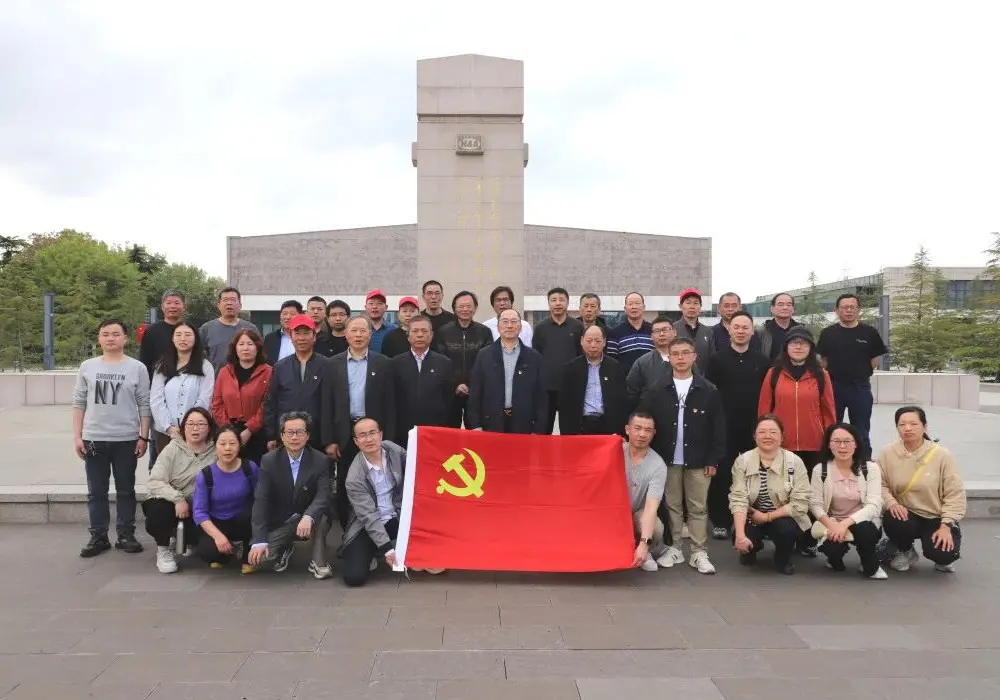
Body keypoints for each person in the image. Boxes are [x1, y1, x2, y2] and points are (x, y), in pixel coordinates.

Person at [639, 337, 726, 575]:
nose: (680, 358)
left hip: (699, 458)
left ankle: (699, 551)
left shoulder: (708, 390)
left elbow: (718, 428)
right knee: (672, 505)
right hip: (667, 458)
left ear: (694, 356)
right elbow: (646, 422)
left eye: (685, 353)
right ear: (669, 358)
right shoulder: (657, 389)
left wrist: (713, 458)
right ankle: (675, 547)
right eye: (675, 353)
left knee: (698, 507)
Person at [72, 319, 151, 558]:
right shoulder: (87, 367)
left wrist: (143, 436)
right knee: (96, 491)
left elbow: (144, 404)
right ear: (99, 339)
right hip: (94, 438)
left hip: (126, 438)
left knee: (126, 489)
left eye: (116, 334)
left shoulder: (137, 368)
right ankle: (98, 535)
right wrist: (77, 436)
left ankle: (126, 534)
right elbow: (79, 402)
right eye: (105, 334)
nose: (110, 338)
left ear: (125, 338)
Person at [757, 326, 835, 557]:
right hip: (783, 445)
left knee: (809, 493)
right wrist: (765, 438)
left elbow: (829, 410)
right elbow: (764, 410)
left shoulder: (821, 375)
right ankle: (784, 537)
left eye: (804, 343)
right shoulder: (774, 374)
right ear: (786, 347)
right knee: (782, 491)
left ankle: (806, 540)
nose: (799, 346)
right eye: (794, 342)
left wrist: (830, 439)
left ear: (811, 348)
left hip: (813, 443)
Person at [705, 311, 770, 540]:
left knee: (756, 474)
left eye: (745, 327)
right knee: (723, 474)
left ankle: (756, 520)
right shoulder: (716, 360)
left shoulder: (762, 361)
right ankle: (721, 521)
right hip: (724, 426)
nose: (741, 331)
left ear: (752, 331)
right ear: (729, 330)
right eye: (736, 327)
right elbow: (710, 394)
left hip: (754, 427)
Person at [878, 405, 966, 573]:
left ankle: (942, 553)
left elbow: (955, 493)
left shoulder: (942, 455)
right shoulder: (887, 453)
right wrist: (891, 503)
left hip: (936, 516)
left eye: (913, 424)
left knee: (944, 556)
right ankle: (904, 549)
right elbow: (880, 484)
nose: (907, 428)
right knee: (893, 518)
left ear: (924, 426)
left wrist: (946, 525)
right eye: (902, 424)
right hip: (905, 514)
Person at [249, 411, 334, 579]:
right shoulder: (269, 460)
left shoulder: (320, 460)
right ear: (282, 436)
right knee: (260, 560)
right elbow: (261, 500)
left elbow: (324, 494)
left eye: (300, 432)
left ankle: (318, 561)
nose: (294, 437)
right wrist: (259, 540)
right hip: (282, 520)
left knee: (322, 516)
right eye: (289, 432)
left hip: (309, 517)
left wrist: (309, 516)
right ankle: (285, 546)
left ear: (307, 435)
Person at [729, 415, 811, 575]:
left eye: (773, 432)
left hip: (782, 515)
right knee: (742, 535)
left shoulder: (794, 462)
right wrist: (740, 536)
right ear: (754, 436)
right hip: (752, 514)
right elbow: (738, 498)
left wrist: (766, 517)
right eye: (762, 432)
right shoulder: (743, 461)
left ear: (782, 436)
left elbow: (800, 503)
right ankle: (750, 549)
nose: (767, 436)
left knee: (786, 531)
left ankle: (783, 558)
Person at [142, 407, 218, 574]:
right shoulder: (173, 448)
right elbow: (155, 481)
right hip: (172, 503)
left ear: (209, 427)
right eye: (190, 424)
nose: (195, 428)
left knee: (212, 553)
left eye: (201, 424)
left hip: (201, 506)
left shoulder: (216, 451)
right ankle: (163, 550)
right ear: (183, 427)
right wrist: (177, 498)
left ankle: (190, 540)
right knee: (158, 508)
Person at [810, 423, 886, 579]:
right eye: (836, 441)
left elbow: (874, 505)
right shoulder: (820, 469)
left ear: (856, 444)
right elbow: (815, 504)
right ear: (829, 444)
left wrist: (845, 524)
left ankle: (868, 561)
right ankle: (834, 558)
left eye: (847, 441)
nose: (842, 446)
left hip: (861, 521)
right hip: (833, 522)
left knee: (866, 532)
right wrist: (832, 525)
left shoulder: (870, 468)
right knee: (833, 550)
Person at [816, 293, 888, 458]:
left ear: (858, 309)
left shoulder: (869, 332)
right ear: (837, 310)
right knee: (832, 427)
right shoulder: (828, 333)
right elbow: (823, 361)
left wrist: (860, 372)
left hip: (860, 387)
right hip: (834, 387)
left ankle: (863, 463)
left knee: (861, 429)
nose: (848, 310)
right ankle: (830, 461)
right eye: (844, 307)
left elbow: (874, 360)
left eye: (852, 307)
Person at [341, 418, 408, 586]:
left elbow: (415, 462)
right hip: (368, 525)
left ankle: (385, 546)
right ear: (356, 441)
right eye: (362, 435)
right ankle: (375, 549)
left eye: (372, 433)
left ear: (381, 435)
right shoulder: (354, 478)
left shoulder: (392, 449)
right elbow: (368, 516)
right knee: (354, 578)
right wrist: (388, 550)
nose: (369, 439)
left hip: (397, 516)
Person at [466, 309, 548, 434]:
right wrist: (476, 425)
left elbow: (541, 396)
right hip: (491, 423)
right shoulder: (484, 355)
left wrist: (538, 429)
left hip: (524, 424)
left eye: (514, 321)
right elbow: (475, 392)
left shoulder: (534, 358)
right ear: (498, 327)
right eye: (505, 322)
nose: (509, 326)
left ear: (520, 327)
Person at [193, 424, 259, 574]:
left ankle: (246, 551)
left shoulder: (250, 468)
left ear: (239, 445)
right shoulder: (206, 474)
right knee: (208, 552)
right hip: (218, 522)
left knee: (250, 516)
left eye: (232, 443)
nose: (227, 448)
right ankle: (227, 550)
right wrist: (218, 537)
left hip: (245, 521)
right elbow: (200, 512)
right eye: (222, 444)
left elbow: (261, 498)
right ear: (215, 446)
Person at [211, 328, 272, 467]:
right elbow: (217, 403)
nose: (245, 348)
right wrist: (229, 430)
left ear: (257, 347)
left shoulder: (268, 372)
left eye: (250, 344)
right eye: (241, 344)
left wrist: (250, 429)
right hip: (228, 432)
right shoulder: (224, 372)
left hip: (256, 434)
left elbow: (267, 404)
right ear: (235, 348)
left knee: (254, 471)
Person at [150, 322, 215, 451]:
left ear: (195, 339)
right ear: (172, 339)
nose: (183, 338)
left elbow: (205, 399)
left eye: (188, 335)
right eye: (178, 335)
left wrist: (190, 425)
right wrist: (169, 427)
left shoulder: (205, 366)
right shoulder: (162, 365)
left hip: (195, 432)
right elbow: (156, 399)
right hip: (166, 433)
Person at [390, 315, 454, 438]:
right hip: (403, 429)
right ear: (408, 336)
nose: (420, 335)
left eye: (424, 331)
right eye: (415, 331)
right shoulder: (395, 363)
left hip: (434, 429)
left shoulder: (444, 363)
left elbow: (448, 398)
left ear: (431, 335)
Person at [558, 324, 628, 436]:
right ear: (582, 341)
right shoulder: (570, 368)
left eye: (598, 341)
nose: (593, 345)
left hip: (608, 426)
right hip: (580, 426)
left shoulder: (615, 367)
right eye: (589, 341)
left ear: (604, 342)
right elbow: (564, 405)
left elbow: (621, 403)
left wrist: (621, 432)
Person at [623, 412, 669, 572]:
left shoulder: (658, 465)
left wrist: (644, 543)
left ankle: (643, 550)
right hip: (611, 513)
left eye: (648, 430)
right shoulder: (615, 452)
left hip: (636, 513)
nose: (642, 434)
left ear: (654, 433)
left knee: (656, 528)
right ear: (627, 429)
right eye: (637, 428)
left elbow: (651, 507)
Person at [199, 287, 258, 372]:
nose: (229, 303)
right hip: (216, 378)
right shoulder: (206, 329)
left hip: (247, 378)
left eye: (233, 300)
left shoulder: (251, 328)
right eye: (225, 300)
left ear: (240, 305)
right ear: (218, 305)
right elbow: (196, 355)